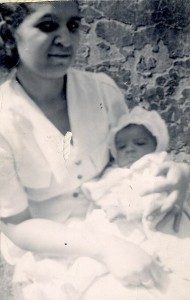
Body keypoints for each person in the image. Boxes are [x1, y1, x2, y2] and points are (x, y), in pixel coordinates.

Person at [0, 1, 189, 300]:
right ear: (9, 32)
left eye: (73, 26)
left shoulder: (101, 92)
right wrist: (106, 248)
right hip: (57, 254)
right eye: (47, 26)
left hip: (125, 222)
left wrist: (180, 172)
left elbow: (132, 159)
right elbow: (17, 226)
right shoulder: (4, 120)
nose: (65, 39)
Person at [80, 107, 190, 300]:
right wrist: (109, 205)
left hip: (155, 216)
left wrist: (128, 210)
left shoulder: (154, 166)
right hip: (126, 224)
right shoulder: (114, 173)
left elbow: (157, 196)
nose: (130, 149)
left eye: (140, 143)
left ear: (156, 145)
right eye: (121, 147)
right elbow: (101, 191)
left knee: (174, 251)